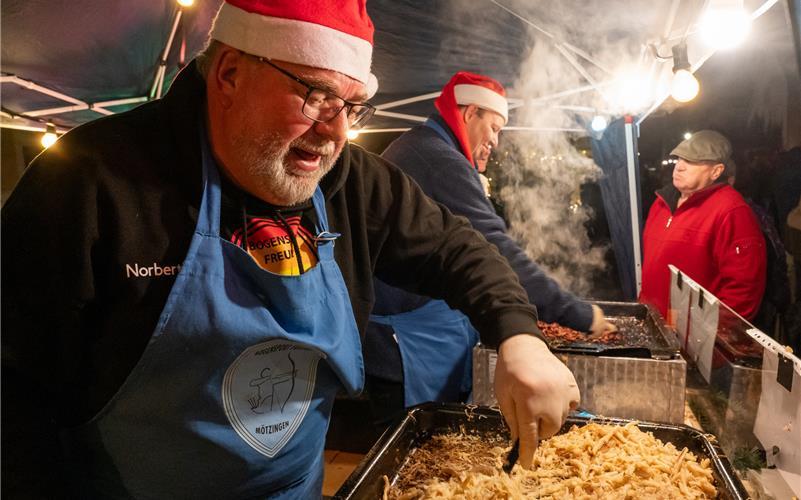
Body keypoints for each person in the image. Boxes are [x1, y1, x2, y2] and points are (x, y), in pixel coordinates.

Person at [1, 1, 580, 497]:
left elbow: (458, 250)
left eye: (352, 108)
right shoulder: (84, 184)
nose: (336, 133)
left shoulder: (353, 181)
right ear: (228, 73)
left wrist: (518, 335)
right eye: (316, 97)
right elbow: (16, 403)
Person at [363, 71, 614, 417]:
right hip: (405, 344)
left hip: (416, 330)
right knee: (419, 443)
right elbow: (493, 248)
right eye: (494, 127)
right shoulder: (438, 158)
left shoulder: (422, 146)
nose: (496, 141)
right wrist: (576, 312)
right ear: (469, 114)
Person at [640, 130, 767, 320]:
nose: (679, 167)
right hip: (652, 323)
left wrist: (710, 337)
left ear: (716, 171)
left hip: (692, 339)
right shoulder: (660, 203)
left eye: (691, 162)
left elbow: (744, 289)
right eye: (679, 159)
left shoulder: (732, 211)